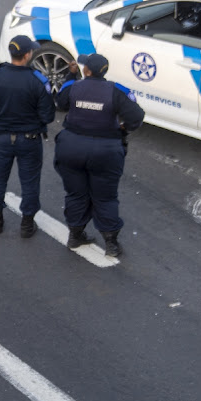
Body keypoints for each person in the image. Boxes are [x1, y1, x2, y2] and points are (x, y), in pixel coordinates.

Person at [53, 53, 144, 257]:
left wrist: (70, 75)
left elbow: (61, 103)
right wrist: (122, 128)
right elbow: (136, 117)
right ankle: (111, 244)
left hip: (71, 147)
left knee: (76, 194)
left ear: (87, 71)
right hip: (106, 151)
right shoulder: (116, 91)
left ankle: (75, 236)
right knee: (105, 198)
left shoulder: (73, 87)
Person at [0, 35, 56, 237]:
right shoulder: (38, 81)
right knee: (29, 182)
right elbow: (48, 115)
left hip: (1, 138)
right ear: (27, 54)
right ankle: (27, 226)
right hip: (30, 140)